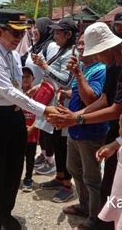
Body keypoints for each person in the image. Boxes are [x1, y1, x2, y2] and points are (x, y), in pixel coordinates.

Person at [51, 22, 122, 228]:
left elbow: (118, 109)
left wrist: (77, 119)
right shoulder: (114, 64)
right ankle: (100, 219)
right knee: (109, 184)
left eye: (97, 53)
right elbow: (105, 99)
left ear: (107, 47)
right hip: (118, 133)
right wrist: (75, 115)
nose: (96, 57)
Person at [0, 9, 59, 229]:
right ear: (0, 31)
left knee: (13, 173)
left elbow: (17, 88)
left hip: (14, 118)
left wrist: (33, 96)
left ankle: (5, 214)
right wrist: (44, 110)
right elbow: (9, 92)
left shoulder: (12, 54)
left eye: (22, 33)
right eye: (15, 33)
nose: (19, 38)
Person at [62, 32, 107, 229]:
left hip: (90, 131)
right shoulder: (83, 67)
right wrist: (67, 92)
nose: (80, 47)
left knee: (92, 177)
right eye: (79, 43)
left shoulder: (100, 70)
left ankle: (95, 217)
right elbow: (80, 91)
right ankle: (84, 205)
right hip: (75, 128)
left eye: (84, 44)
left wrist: (78, 75)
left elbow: (92, 99)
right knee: (74, 168)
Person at [32, 17, 76, 202]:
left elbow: (65, 80)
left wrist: (44, 66)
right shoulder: (60, 49)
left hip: (64, 106)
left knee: (62, 145)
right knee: (56, 142)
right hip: (54, 104)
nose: (55, 35)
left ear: (68, 34)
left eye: (58, 32)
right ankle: (59, 176)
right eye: (54, 32)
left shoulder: (71, 53)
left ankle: (67, 184)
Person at [24, 17, 58, 175]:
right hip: (34, 94)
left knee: (46, 128)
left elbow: (51, 70)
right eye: (33, 28)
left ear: (45, 29)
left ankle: (50, 160)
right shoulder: (35, 46)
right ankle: (44, 155)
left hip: (46, 93)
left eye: (37, 28)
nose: (33, 31)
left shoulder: (50, 46)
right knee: (39, 128)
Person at [20, 66, 39, 193]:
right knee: (17, 156)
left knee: (30, 157)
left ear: (34, 78)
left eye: (27, 76)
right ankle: (16, 178)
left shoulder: (38, 93)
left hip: (32, 132)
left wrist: (32, 127)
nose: (25, 79)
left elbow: (42, 114)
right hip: (18, 131)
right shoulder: (16, 92)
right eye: (22, 77)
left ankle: (28, 178)